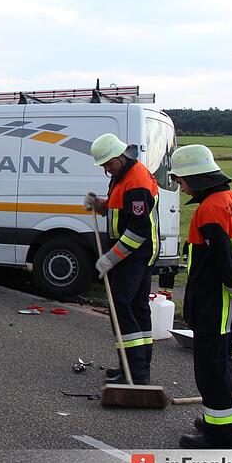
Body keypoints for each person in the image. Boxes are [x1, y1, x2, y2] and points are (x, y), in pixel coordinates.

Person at [168, 144, 232, 449]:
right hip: (226, 308)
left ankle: (221, 436)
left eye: (181, 180)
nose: (181, 187)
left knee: (211, 372)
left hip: (214, 306)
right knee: (219, 367)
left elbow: (225, 266)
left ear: (195, 177)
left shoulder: (210, 210)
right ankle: (215, 421)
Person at [84, 133, 159, 385]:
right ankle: (133, 368)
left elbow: (138, 230)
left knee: (122, 307)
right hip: (132, 254)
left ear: (120, 156)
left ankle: (135, 372)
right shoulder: (123, 174)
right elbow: (121, 209)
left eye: (108, 164)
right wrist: (100, 205)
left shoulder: (136, 181)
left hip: (134, 254)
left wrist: (110, 259)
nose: (106, 169)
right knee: (136, 308)